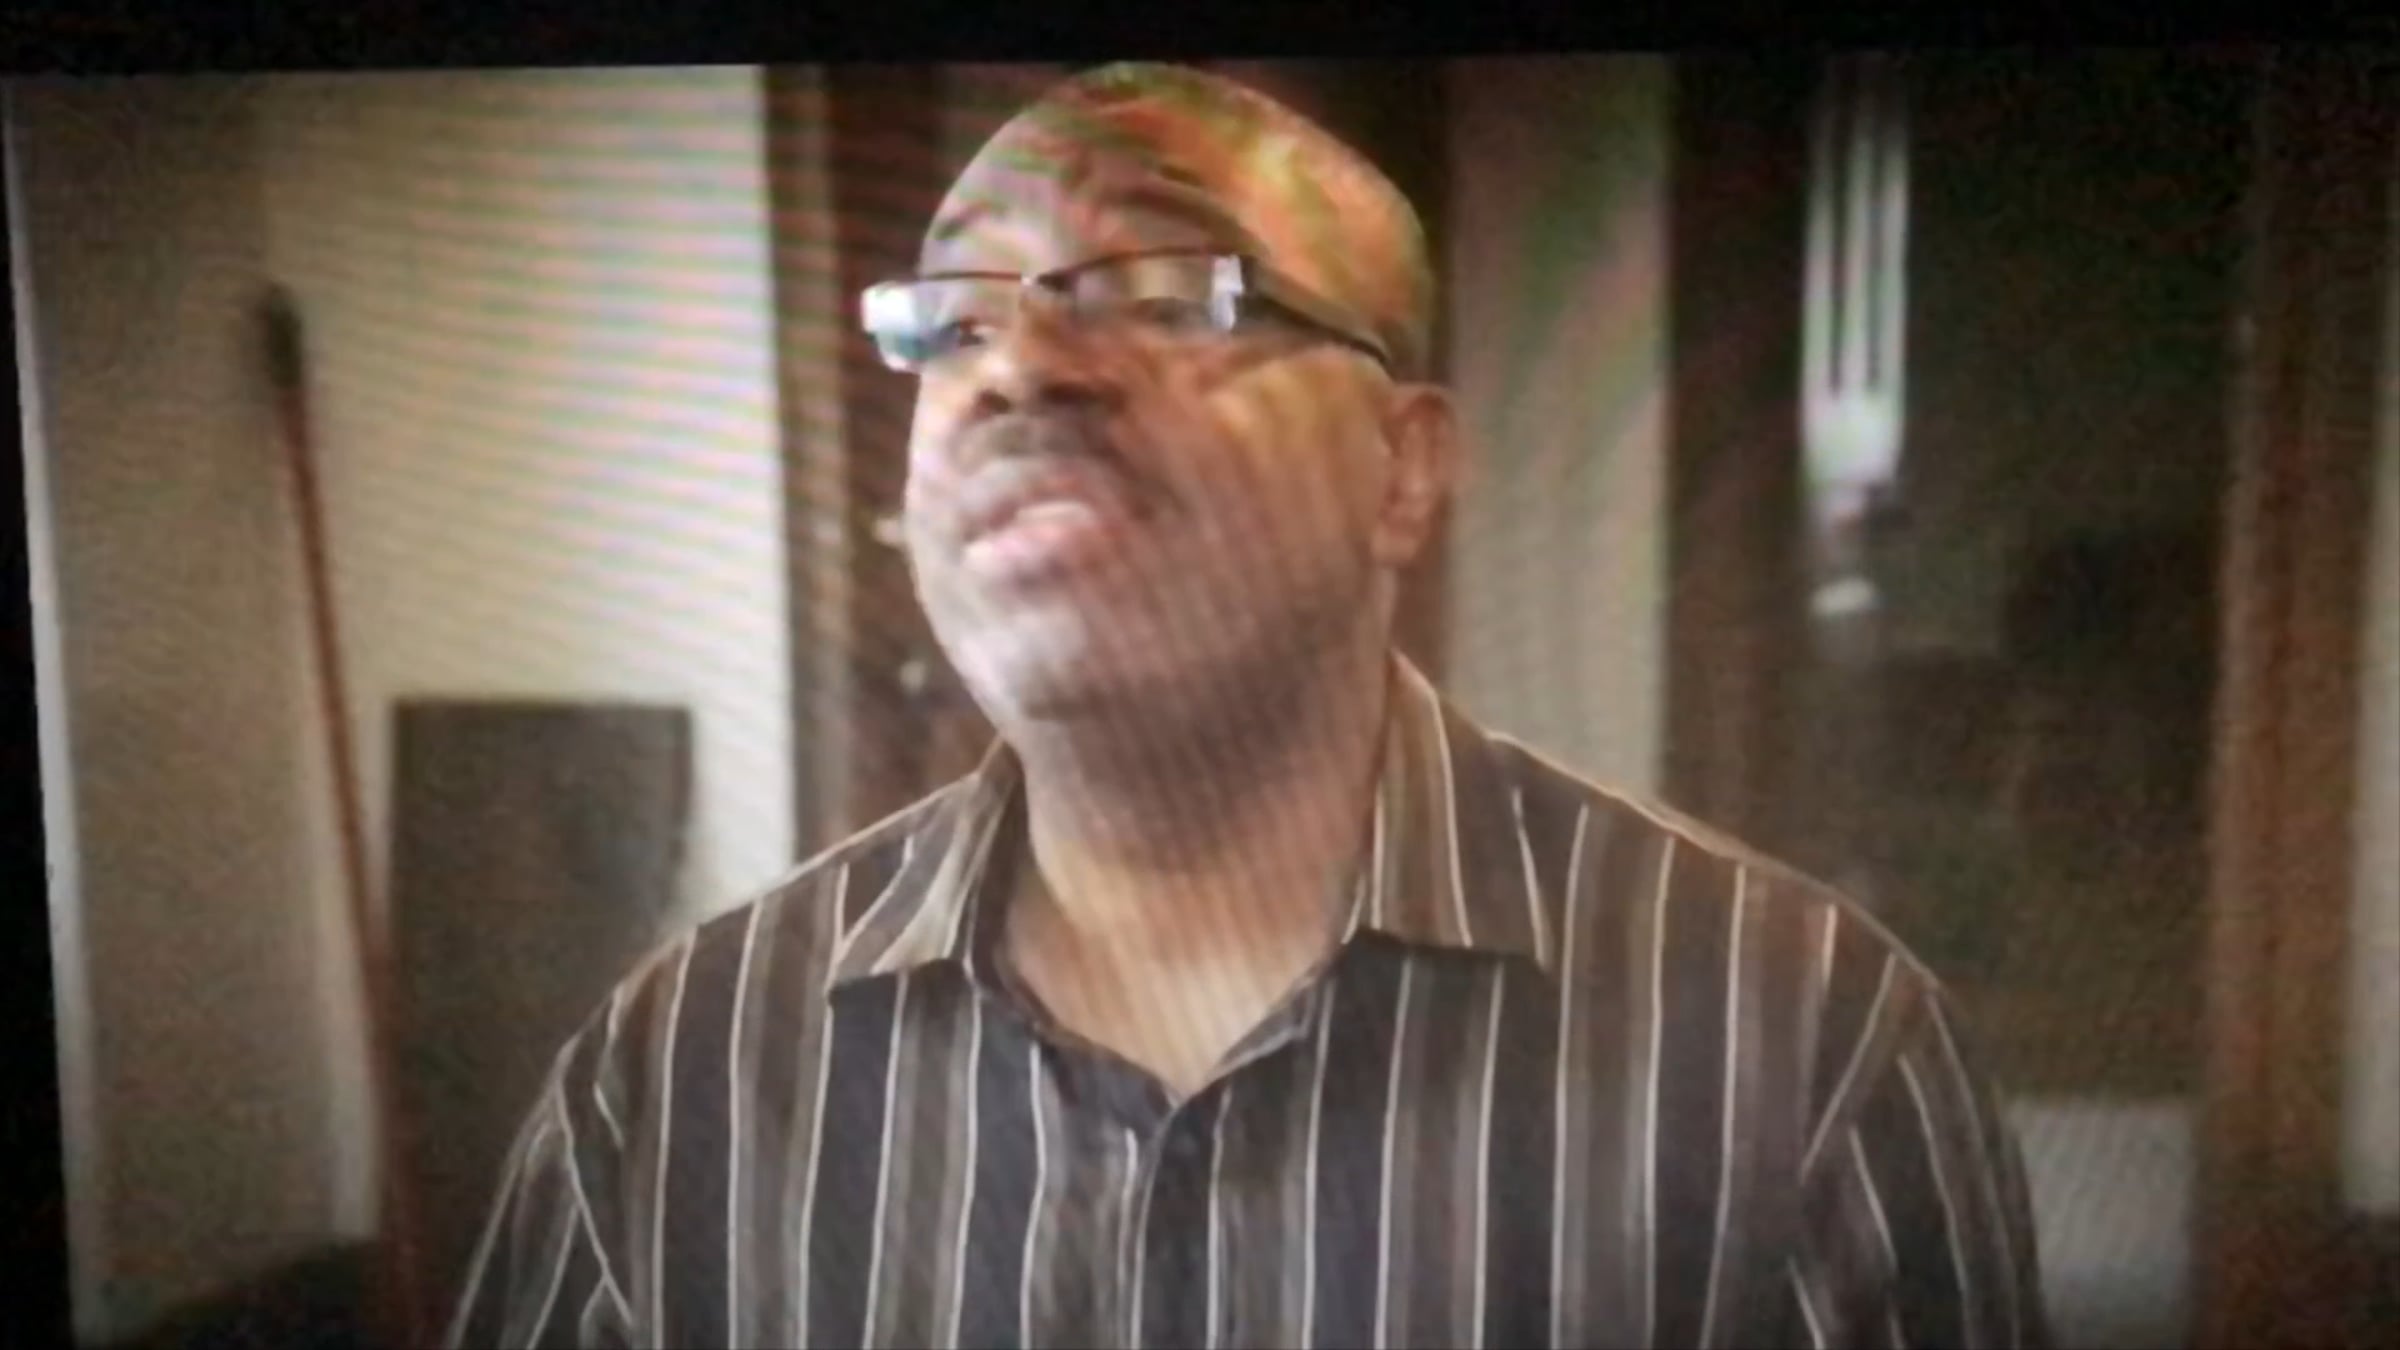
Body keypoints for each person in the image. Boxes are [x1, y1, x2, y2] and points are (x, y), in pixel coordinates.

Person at [446, 61, 2048, 1349]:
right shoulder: (674, 1079)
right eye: (954, 321)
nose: (1023, 368)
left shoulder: (1805, 1049)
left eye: (1164, 290)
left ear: (1402, 468)